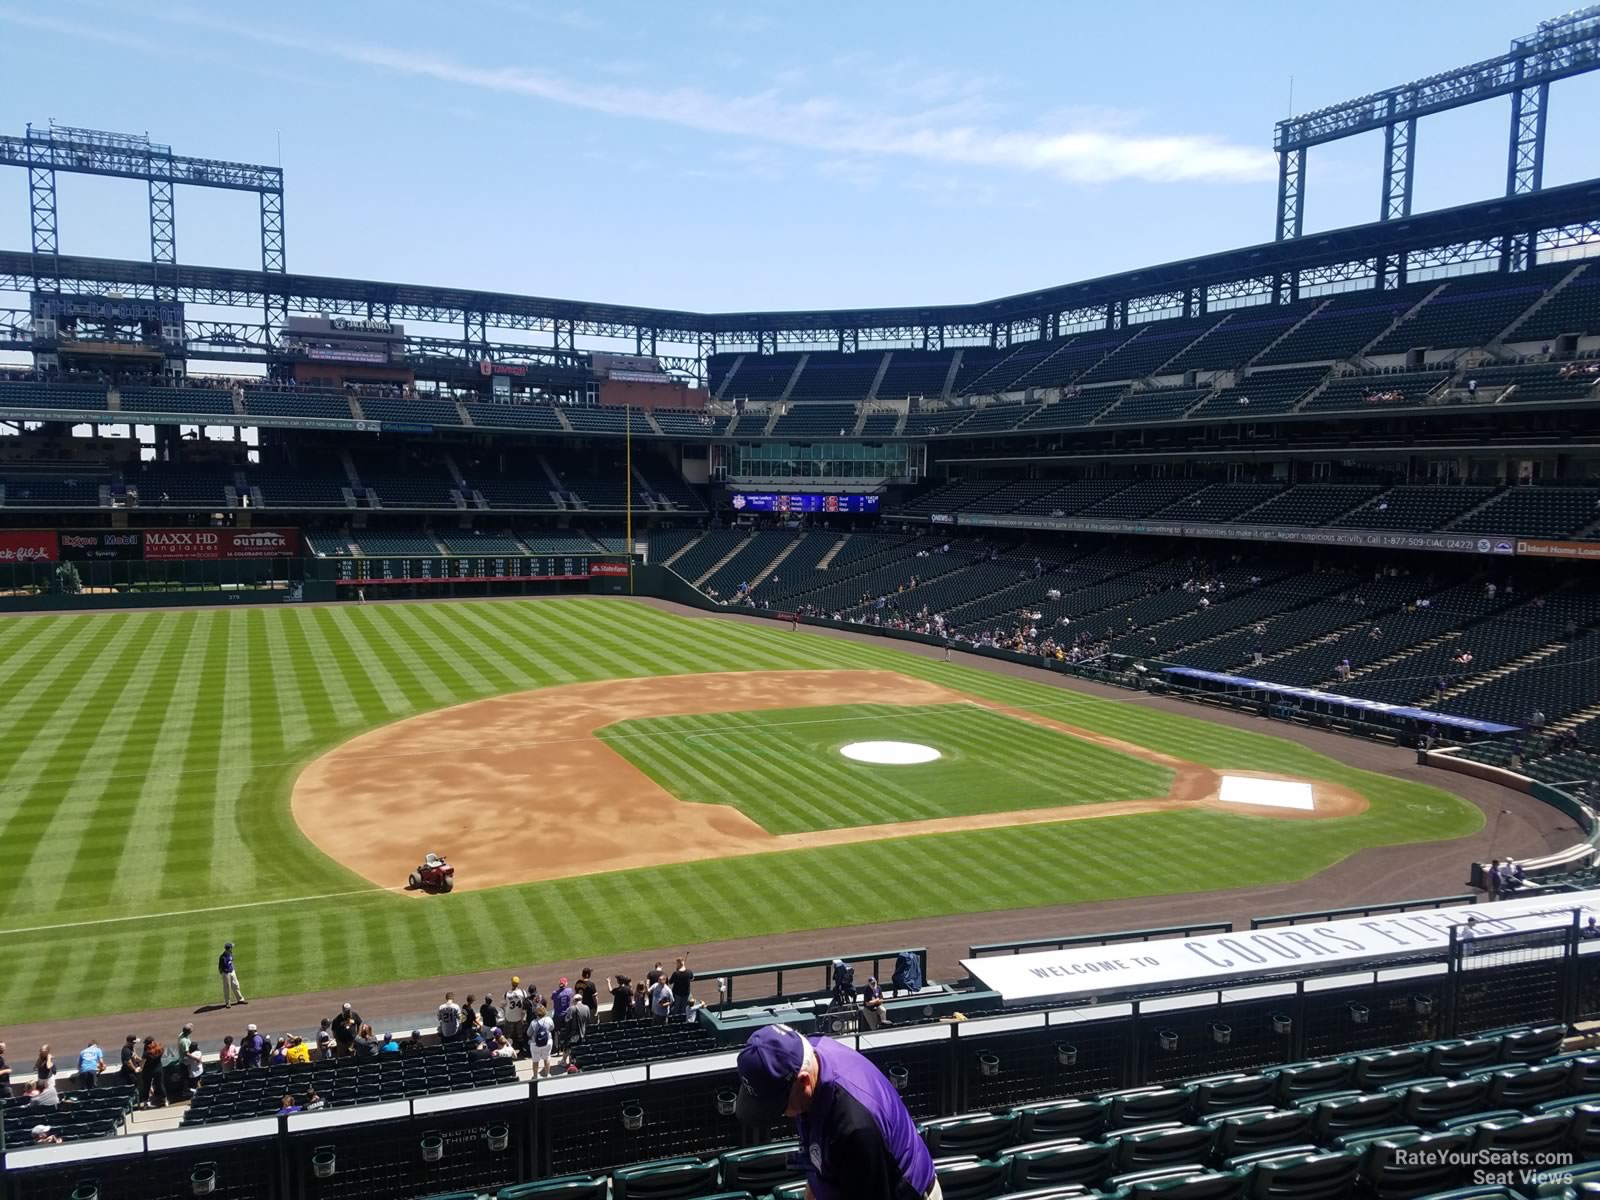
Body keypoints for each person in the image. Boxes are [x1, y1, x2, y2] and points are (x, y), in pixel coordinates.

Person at [735, 1024, 938, 1200]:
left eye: (779, 1106)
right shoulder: (807, 1055)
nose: (782, 1114)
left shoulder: (856, 1128)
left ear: (804, 1081)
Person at [528, 1004, 555, 1077]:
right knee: (546, 1058)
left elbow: (528, 1033)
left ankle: (535, 1076)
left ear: (536, 1013)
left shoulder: (533, 1022)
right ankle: (547, 1075)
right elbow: (552, 1028)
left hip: (535, 1044)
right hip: (547, 1042)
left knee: (535, 1061)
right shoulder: (549, 1019)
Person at [141, 1038, 168, 1109]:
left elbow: (142, 1063)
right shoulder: (159, 1049)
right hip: (158, 1069)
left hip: (147, 1071)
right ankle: (165, 1101)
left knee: (146, 1087)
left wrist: (139, 1068)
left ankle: (145, 1104)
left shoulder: (146, 1052)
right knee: (160, 1084)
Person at [504, 977, 529, 1050]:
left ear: (511, 983)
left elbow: (503, 1004)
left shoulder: (507, 994)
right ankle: (521, 1048)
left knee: (508, 1034)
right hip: (519, 1017)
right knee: (520, 1034)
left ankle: (507, 1048)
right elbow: (526, 1002)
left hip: (509, 1017)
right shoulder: (523, 992)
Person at [218, 942, 245, 1008]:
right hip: (226, 973)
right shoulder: (222, 957)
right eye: (231, 947)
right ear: (229, 948)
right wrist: (223, 974)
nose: (232, 948)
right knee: (227, 988)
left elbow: (231, 961)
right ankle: (227, 1003)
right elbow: (220, 968)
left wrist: (232, 969)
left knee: (236, 985)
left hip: (232, 971)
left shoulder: (230, 953)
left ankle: (240, 999)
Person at [669, 955, 695, 1019]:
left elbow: (670, 982)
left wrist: (677, 971)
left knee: (676, 1008)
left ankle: (676, 1020)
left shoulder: (675, 973)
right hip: (686, 993)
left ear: (678, 964)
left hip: (677, 993)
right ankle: (682, 1020)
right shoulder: (689, 972)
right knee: (683, 1009)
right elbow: (692, 979)